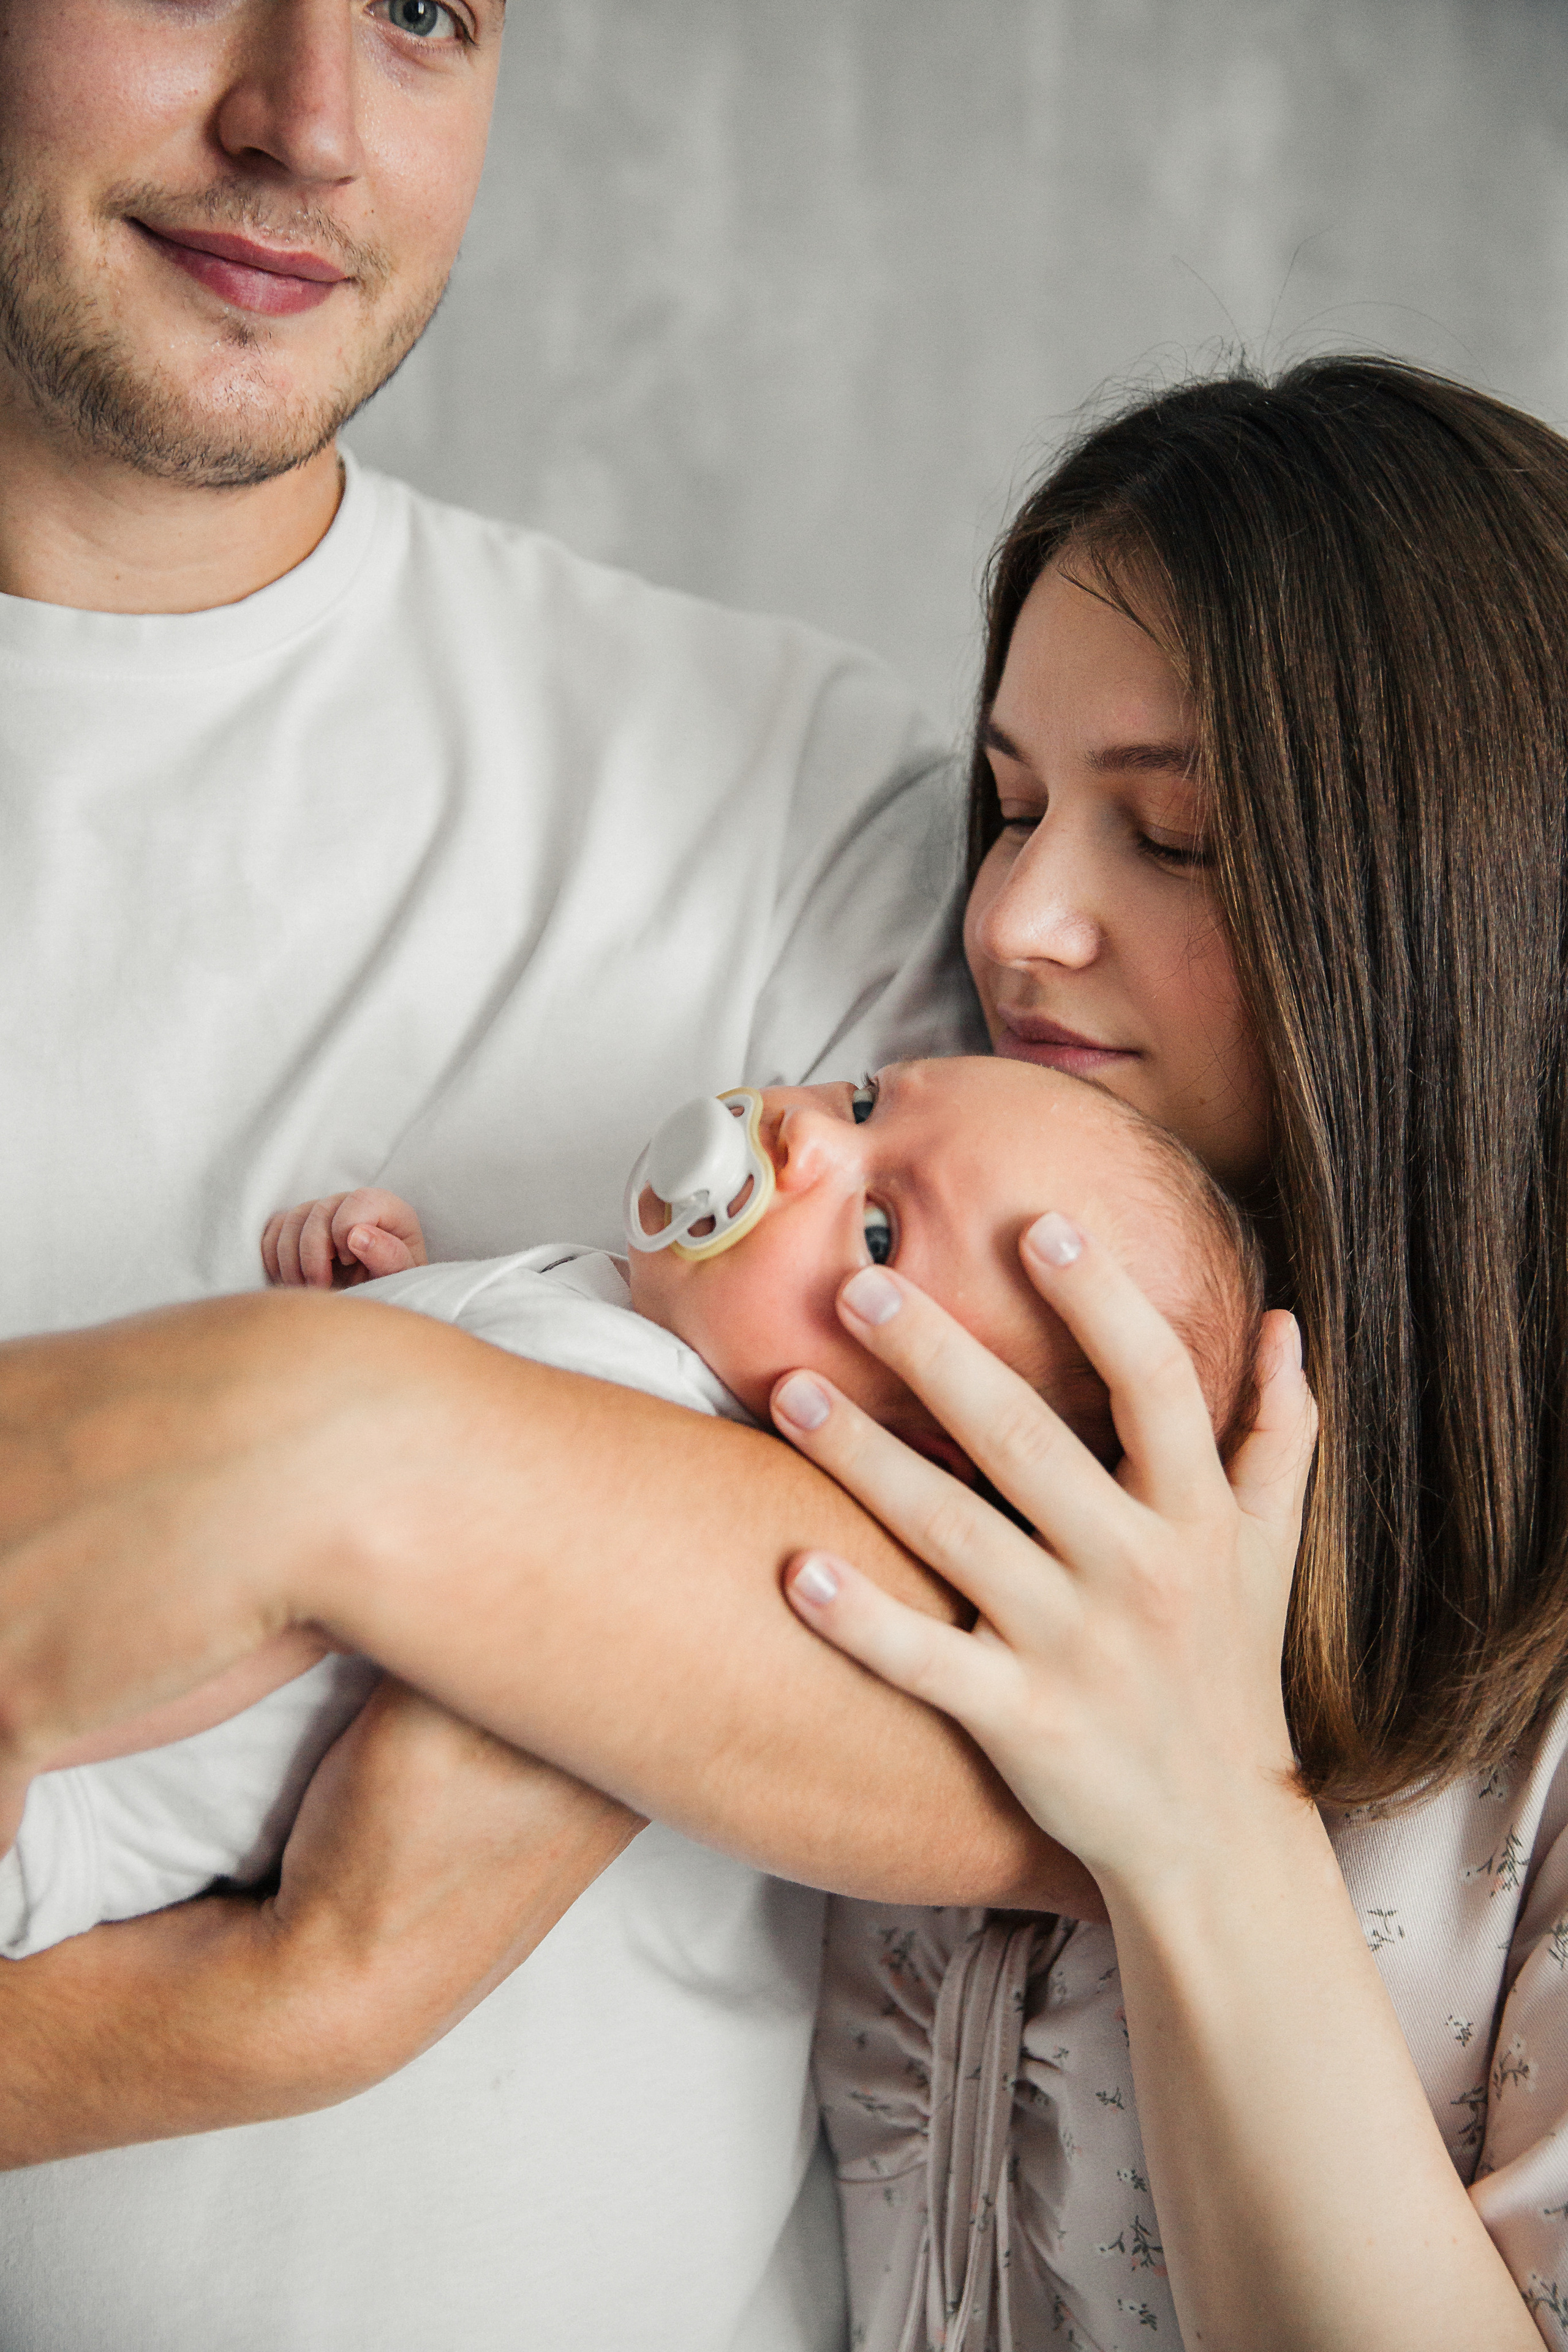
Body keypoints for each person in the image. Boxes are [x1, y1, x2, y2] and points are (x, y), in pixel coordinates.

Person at [0, 2, 1095, 2346]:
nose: (308, 122)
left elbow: (1073, 1731)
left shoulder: (800, 796)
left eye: (422, 7)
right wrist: (243, 2015)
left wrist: (332, 1435)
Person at [775, 361, 1568, 2349]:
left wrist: (1204, 1825)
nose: (1022, 920)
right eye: (1019, 804)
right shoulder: (942, 1402)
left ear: (1473, 907)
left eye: (1180, 838)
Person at [0, 1057, 1262, 1964]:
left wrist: (46, 1694)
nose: (805, 1137)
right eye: (869, 1097)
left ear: (919, 1445)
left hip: (83, 1779)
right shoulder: (615, 1319)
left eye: (876, 1231)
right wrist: (392, 1286)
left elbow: (306, 1583)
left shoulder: (653, 1430)